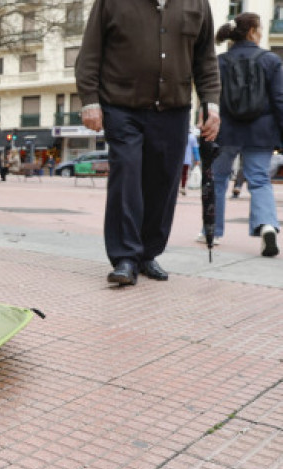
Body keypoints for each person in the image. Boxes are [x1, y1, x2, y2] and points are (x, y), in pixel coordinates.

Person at [75, 0, 222, 286]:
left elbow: (206, 58)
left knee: (163, 183)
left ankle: (147, 253)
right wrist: (89, 99)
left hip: (174, 109)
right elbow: (91, 51)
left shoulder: (197, 3)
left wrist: (211, 102)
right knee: (127, 175)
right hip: (121, 106)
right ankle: (125, 257)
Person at [193, 14, 280, 257]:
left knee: (218, 179)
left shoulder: (219, 62)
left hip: (225, 131)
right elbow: (279, 100)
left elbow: (209, 97)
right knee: (260, 180)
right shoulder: (271, 61)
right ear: (252, 30)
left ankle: (212, 230)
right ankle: (267, 227)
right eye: (260, 27)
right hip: (261, 132)